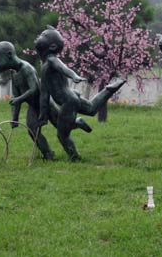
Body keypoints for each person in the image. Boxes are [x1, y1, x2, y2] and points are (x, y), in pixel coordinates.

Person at [0, 41, 92, 161]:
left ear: (9, 55)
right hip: (33, 106)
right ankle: (48, 154)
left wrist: (19, 99)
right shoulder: (13, 73)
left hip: (45, 104)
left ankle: (76, 132)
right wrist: (14, 118)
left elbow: (35, 89)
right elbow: (15, 96)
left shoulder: (26, 68)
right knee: (32, 130)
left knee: (61, 127)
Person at [35, 26, 125, 161]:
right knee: (91, 109)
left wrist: (74, 75)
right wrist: (43, 114)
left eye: (43, 35)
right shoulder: (46, 65)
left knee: (62, 135)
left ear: (52, 46)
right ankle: (109, 89)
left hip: (67, 101)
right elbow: (44, 94)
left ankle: (75, 157)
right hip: (71, 96)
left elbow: (63, 68)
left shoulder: (51, 60)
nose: (39, 36)